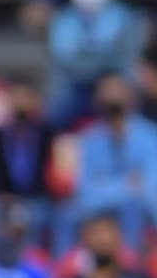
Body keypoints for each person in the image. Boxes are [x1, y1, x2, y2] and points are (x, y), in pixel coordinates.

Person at [59, 72, 157, 253]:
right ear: (97, 100)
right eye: (107, 92)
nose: (113, 98)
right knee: (66, 214)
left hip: (138, 214)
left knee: (132, 209)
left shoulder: (150, 136)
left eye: (118, 91)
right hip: (98, 213)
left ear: (132, 97)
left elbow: (150, 190)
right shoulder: (89, 138)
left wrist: (104, 185)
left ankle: (130, 269)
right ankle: (66, 274)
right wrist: (126, 184)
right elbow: (84, 193)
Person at [46, 0, 146, 130]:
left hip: (116, 77)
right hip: (76, 83)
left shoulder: (123, 15)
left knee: (128, 97)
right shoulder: (63, 19)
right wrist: (99, 61)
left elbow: (127, 53)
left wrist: (107, 75)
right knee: (57, 111)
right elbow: (63, 57)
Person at [0, 75, 58, 247]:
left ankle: (33, 262)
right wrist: (5, 198)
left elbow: (53, 172)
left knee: (39, 214)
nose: (20, 101)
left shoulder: (48, 133)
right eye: (15, 96)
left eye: (25, 96)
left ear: (35, 100)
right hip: (4, 199)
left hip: (37, 199)